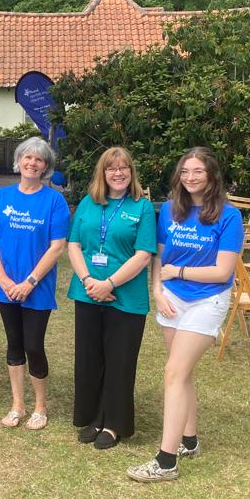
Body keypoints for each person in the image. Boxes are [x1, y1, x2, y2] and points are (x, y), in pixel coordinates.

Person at [127, 147, 244, 483]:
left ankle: (166, 461)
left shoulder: (228, 215)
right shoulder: (169, 211)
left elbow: (222, 272)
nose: (191, 177)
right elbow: (158, 259)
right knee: (183, 372)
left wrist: (178, 274)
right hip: (172, 300)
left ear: (211, 176)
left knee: (173, 372)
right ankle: (188, 441)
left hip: (208, 301)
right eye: (185, 171)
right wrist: (158, 291)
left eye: (198, 171)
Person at [67, 147, 155, 449]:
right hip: (88, 292)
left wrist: (110, 283)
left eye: (124, 168)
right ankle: (93, 417)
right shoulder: (87, 204)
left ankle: (114, 424)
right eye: (111, 168)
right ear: (102, 173)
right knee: (90, 359)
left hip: (125, 297)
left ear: (131, 172)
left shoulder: (141, 207)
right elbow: (74, 245)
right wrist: (89, 280)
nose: (118, 173)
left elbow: (144, 255)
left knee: (119, 361)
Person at [0, 137, 70, 431]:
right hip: (6, 286)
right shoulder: (3, 197)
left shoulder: (53, 201)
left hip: (37, 287)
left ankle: (40, 407)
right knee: (14, 344)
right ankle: (17, 405)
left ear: (46, 166)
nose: (32, 163)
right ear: (18, 161)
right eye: (27, 158)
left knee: (34, 345)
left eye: (39, 160)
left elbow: (57, 246)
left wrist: (30, 282)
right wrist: (5, 279)